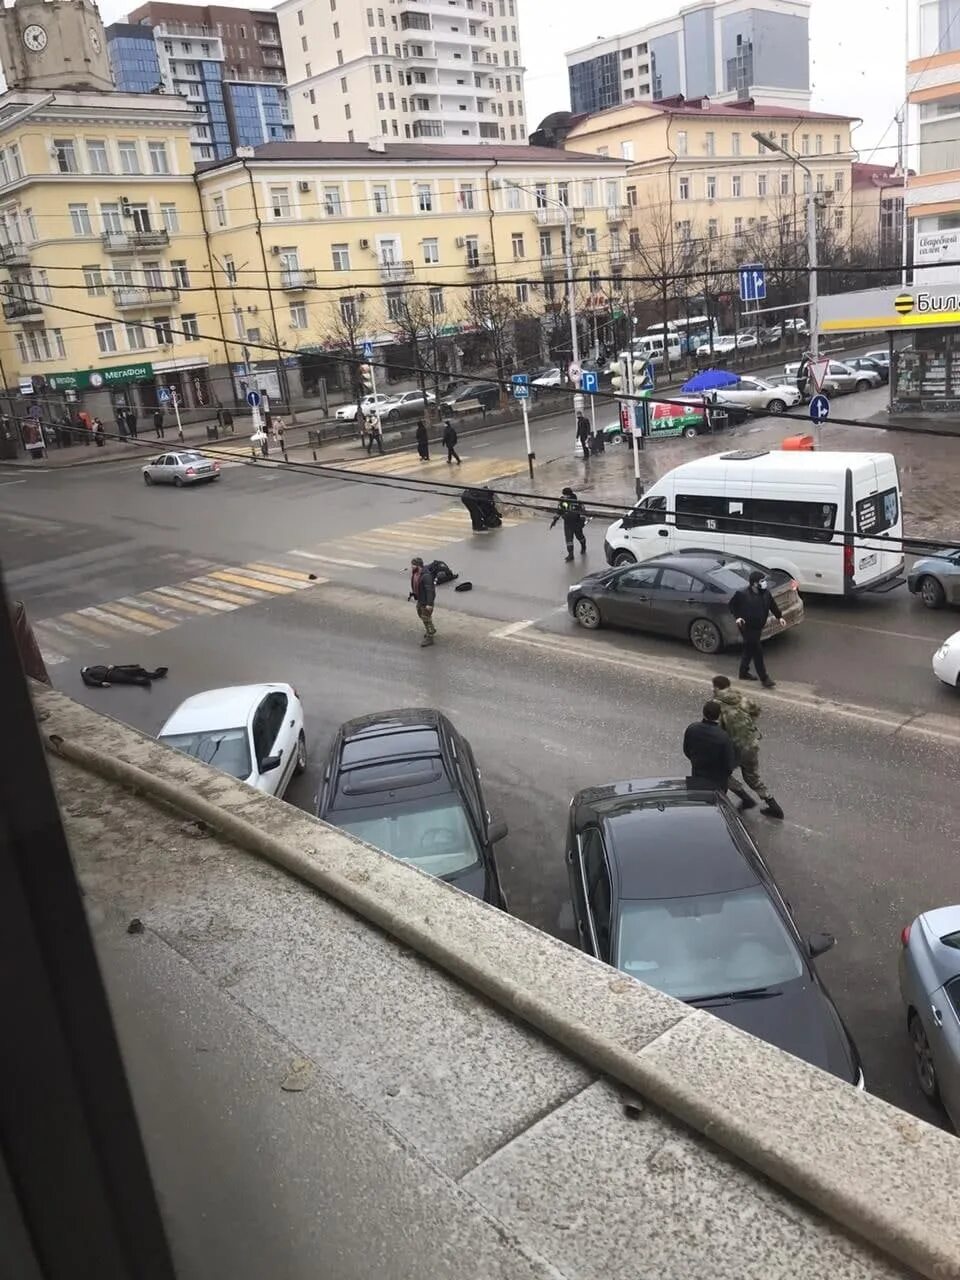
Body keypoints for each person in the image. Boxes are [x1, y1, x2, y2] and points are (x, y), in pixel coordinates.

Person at [711, 675, 784, 819]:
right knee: (752, 777)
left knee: (721, 774)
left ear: (716, 687)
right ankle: (773, 805)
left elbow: (716, 730)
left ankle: (745, 798)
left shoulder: (717, 704)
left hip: (735, 748)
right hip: (751, 743)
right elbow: (756, 709)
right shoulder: (741, 698)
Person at [730, 569, 785, 688]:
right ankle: (764, 678)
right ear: (755, 583)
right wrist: (738, 617)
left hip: (758, 626)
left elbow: (772, 605)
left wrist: (779, 617)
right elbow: (732, 605)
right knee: (757, 651)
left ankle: (743, 672)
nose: (765, 582)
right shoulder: (742, 594)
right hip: (747, 627)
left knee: (749, 649)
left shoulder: (765, 593)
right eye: (762, 581)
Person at [682, 701, 737, 793]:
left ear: (703, 713)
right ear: (719, 715)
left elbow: (686, 750)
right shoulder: (723, 737)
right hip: (717, 782)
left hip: (697, 777)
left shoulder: (692, 729)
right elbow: (728, 765)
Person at [550, 486, 587, 562]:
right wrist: (554, 520)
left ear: (570, 495)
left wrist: (582, 521)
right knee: (569, 539)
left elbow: (582, 512)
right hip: (567, 523)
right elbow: (559, 511)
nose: (565, 497)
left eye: (566, 495)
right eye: (564, 495)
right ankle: (571, 554)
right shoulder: (562, 501)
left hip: (577, 522)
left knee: (579, 536)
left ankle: (583, 546)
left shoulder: (577, 502)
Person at [408, 556, 437, 647]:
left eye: (413, 565)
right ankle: (430, 629)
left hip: (425, 601)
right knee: (421, 614)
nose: (411, 566)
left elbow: (430, 591)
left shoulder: (426, 576)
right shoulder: (416, 573)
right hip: (420, 599)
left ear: (418, 566)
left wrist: (429, 604)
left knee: (425, 617)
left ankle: (430, 636)